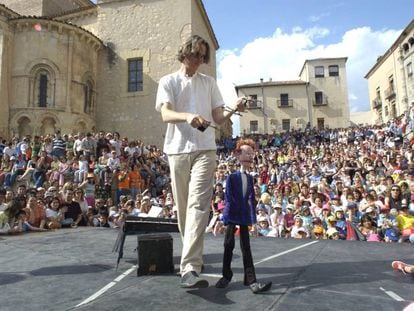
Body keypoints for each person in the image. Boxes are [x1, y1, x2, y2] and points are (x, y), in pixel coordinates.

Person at [155, 35, 245, 289]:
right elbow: (165, 114)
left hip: (206, 149)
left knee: (198, 205)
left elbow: (217, 117)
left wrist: (233, 109)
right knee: (183, 210)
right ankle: (192, 259)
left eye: (202, 57)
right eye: (195, 54)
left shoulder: (209, 83)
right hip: (177, 150)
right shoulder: (168, 81)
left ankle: (190, 267)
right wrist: (188, 116)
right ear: (184, 53)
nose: (198, 61)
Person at [215, 138, 272, 293]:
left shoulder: (249, 178)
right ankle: (226, 275)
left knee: (246, 247)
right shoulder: (232, 177)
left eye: (251, 154)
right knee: (228, 245)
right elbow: (228, 198)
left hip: (244, 216)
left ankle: (251, 279)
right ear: (238, 155)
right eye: (246, 153)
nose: (249, 157)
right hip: (232, 215)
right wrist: (225, 218)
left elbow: (251, 200)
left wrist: (253, 221)